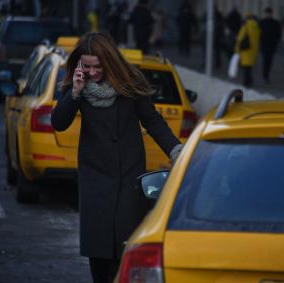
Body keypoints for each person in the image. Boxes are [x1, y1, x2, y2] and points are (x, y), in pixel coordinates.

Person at [51, 32, 182, 283]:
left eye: (98, 66)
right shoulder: (77, 85)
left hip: (129, 179)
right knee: (99, 255)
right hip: (95, 182)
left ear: (110, 62)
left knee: (125, 251)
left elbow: (152, 121)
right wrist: (75, 92)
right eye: (87, 66)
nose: (93, 72)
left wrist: (177, 151)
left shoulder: (130, 81)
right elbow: (59, 122)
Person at [235, 13, 261, 88]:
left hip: (245, 50)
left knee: (246, 68)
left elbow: (240, 38)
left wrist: (237, 49)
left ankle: (246, 82)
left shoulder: (245, 27)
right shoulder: (257, 27)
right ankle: (250, 81)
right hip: (253, 51)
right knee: (249, 68)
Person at [259, 7, 282, 83]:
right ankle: (265, 76)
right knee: (265, 61)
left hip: (272, 45)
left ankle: (266, 75)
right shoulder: (262, 22)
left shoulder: (275, 23)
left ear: (271, 14)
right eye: (267, 13)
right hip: (264, 45)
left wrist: (276, 42)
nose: (268, 14)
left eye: (269, 13)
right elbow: (258, 33)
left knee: (269, 61)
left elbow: (278, 33)